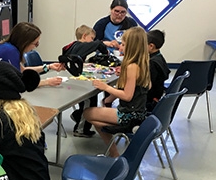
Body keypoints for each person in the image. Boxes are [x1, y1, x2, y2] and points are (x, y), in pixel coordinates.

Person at [84, 26, 151, 157]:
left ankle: (114, 153)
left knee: (88, 113)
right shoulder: (144, 62)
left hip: (129, 115)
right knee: (98, 118)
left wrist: (106, 87)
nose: (120, 47)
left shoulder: (132, 66)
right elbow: (147, 87)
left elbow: (127, 96)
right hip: (139, 112)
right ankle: (112, 149)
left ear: (132, 47)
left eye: (124, 45)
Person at [61, 25, 109, 137]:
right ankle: (81, 129)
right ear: (84, 36)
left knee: (92, 98)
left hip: (72, 79)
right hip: (74, 82)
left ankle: (78, 115)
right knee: (90, 100)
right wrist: (104, 48)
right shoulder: (80, 47)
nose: (92, 41)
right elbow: (97, 44)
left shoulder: (71, 46)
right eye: (91, 38)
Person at [0, 22, 64, 87]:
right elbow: (21, 83)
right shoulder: (11, 52)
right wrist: (47, 82)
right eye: (35, 43)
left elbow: (22, 71)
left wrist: (48, 67)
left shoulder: (5, 46)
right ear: (25, 42)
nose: (35, 46)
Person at [146, 29, 170, 111]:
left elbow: (147, 85)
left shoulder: (152, 63)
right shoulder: (159, 58)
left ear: (151, 46)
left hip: (149, 100)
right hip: (157, 96)